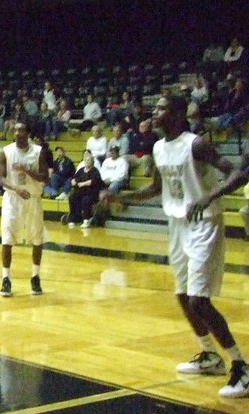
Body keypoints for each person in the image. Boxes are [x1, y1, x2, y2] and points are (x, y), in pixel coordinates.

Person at [103, 94, 249, 398]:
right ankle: (209, 355)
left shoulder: (195, 144)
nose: (155, 112)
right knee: (182, 296)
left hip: (204, 222)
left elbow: (236, 173)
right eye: (155, 108)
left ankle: (240, 365)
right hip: (178, 225)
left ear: (179, 113)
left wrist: (210, 195)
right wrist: (121, 198)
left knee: (199, 301)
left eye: (162, 108)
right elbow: (156, 188)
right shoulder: (157, 146)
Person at [0, 122, 48, 296]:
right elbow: (1, 178)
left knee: (37, 239)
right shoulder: (5, 151)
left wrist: (27, 170)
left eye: (21, 130)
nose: (18, 133)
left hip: (33, 199)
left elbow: (45, 178)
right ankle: (5, 279)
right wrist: (15, 188)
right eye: (16, 130)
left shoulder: (38, 151)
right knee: (7, 238)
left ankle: (35, 277)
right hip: (12, 199)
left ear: (28, 133)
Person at [66, 151, 102, 228]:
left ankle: (86, 219)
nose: (87, 162)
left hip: (91, 192)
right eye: (86, 161)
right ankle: (73, 218)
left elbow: (93, 181)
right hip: (81, 191)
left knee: (85, 200)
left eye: (89, 161)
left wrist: (83, 183)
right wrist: (73, 181)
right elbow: (74, 177)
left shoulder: (95, 171)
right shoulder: (81, 170)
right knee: (72, 198)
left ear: (92, 162)